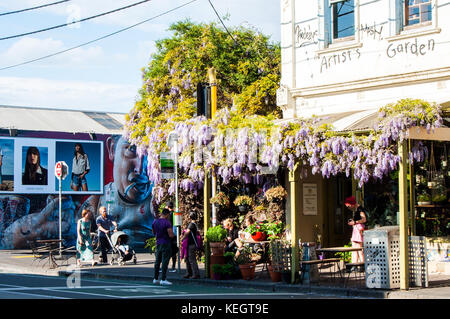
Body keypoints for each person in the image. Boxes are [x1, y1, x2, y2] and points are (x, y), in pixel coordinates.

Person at [79, 135, 154, 248]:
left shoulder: (159, 198)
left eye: (151, 153)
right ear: (111, 149)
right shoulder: (98, 199)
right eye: (131, 149)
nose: (139, 169)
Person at [152, 208, 175, 285]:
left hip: (158, 243)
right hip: (166, 243)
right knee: (165, 261)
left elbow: (153, 232)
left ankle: (155, 278)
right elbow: (170, 235)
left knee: (157, 261)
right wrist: (174, 236)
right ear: (167, 214)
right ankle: (163, 279)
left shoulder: (155, 222)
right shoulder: (167, 223)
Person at [345, 195, 367, 265]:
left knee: (359, 249)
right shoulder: (356, 210)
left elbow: (364, 219)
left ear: (352, 204)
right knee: (354, 249)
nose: (348, 208)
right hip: (356, 230)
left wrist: (354, 222)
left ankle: (361, 265)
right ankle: (355, 264)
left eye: (348, 206)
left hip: (358, 230)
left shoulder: (360, 209)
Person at [180, 211, 200, 279]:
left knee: (191, 259)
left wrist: (183, 238)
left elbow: (187, 232)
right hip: (191, 244)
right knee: (188, 258)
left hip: (191, 244)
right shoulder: (195, 224)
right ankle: (189, 273)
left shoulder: (191, 224)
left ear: (190, 217)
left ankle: (195, 274)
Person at [165, 201, 178, 272]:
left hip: (170, 235)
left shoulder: (169, 215)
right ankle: (173, 266)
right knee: (174, 251)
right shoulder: (175, 214)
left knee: (169, 251)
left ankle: (170, 266)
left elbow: (168, 226)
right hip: (175, 235)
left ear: (168, 207)